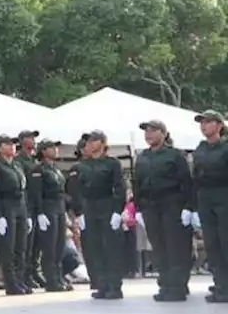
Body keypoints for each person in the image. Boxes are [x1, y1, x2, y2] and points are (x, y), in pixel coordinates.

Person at [133, 120, 195, 301]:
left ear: (163, 133)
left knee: (176, 246)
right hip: (150, 206)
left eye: (152, 130)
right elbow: (137, 183)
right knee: (159, 246)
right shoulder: (143, 156)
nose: (148, 134)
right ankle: (165, 284)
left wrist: (189, 207)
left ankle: (178, 286)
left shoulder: (175, 155)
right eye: (146, 131)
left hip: (172, 204)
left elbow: (187, 182)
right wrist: (138, 207)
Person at [69, 130, 127, 300]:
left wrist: (117, 210)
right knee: (94, 248)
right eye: (87, 142)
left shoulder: (112, 164)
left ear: (101, 143)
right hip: (89, 208)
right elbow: (75, 190)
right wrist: (79, 212)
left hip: (107, 205)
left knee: (111, 247)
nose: (88, 144)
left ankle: (114, 286)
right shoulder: (81, 166)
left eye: (92, 140)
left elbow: (119, 187)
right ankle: (101, 284)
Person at [191, 110, 228, 303]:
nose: (203, 125)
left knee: (225, 242)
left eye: (208, 122)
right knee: (212, 244)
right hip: (205, 197)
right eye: (201, 122)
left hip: (223, 195)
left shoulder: (225, 147)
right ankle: (221, 285)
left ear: (219, 125)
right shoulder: (201, 149)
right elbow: (195, 175)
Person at [27, 139, 74, 292]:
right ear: (43, 151)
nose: (55, 150)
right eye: (51, 147)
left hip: (59, 209)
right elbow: (36, 193)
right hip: (48, 209)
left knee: (59, 247)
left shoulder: (55, 169)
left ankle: (59, 277)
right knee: (50, 247)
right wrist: (40, 213)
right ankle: (51, 281)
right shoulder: (38, 170)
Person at [0, 135, 31, 295]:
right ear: (0, 148)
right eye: (8, 144)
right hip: (7, 207)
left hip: (20, 207)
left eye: (14, 144)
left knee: (20, 247)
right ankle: (11, 283)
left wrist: (27, 213)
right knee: (8, 247)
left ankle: (20, 280)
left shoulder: (17, 165)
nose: (12, 147)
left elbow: (24, 190)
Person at [14, 130, 43, 287]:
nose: (33, 140)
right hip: (27, 205)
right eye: (30, 138)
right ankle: (24, 275)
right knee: (26, 244)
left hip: (37, 205)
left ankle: (33, 272)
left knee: (36, 244)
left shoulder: (34, 161)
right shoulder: (19, 161)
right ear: (22, 141)